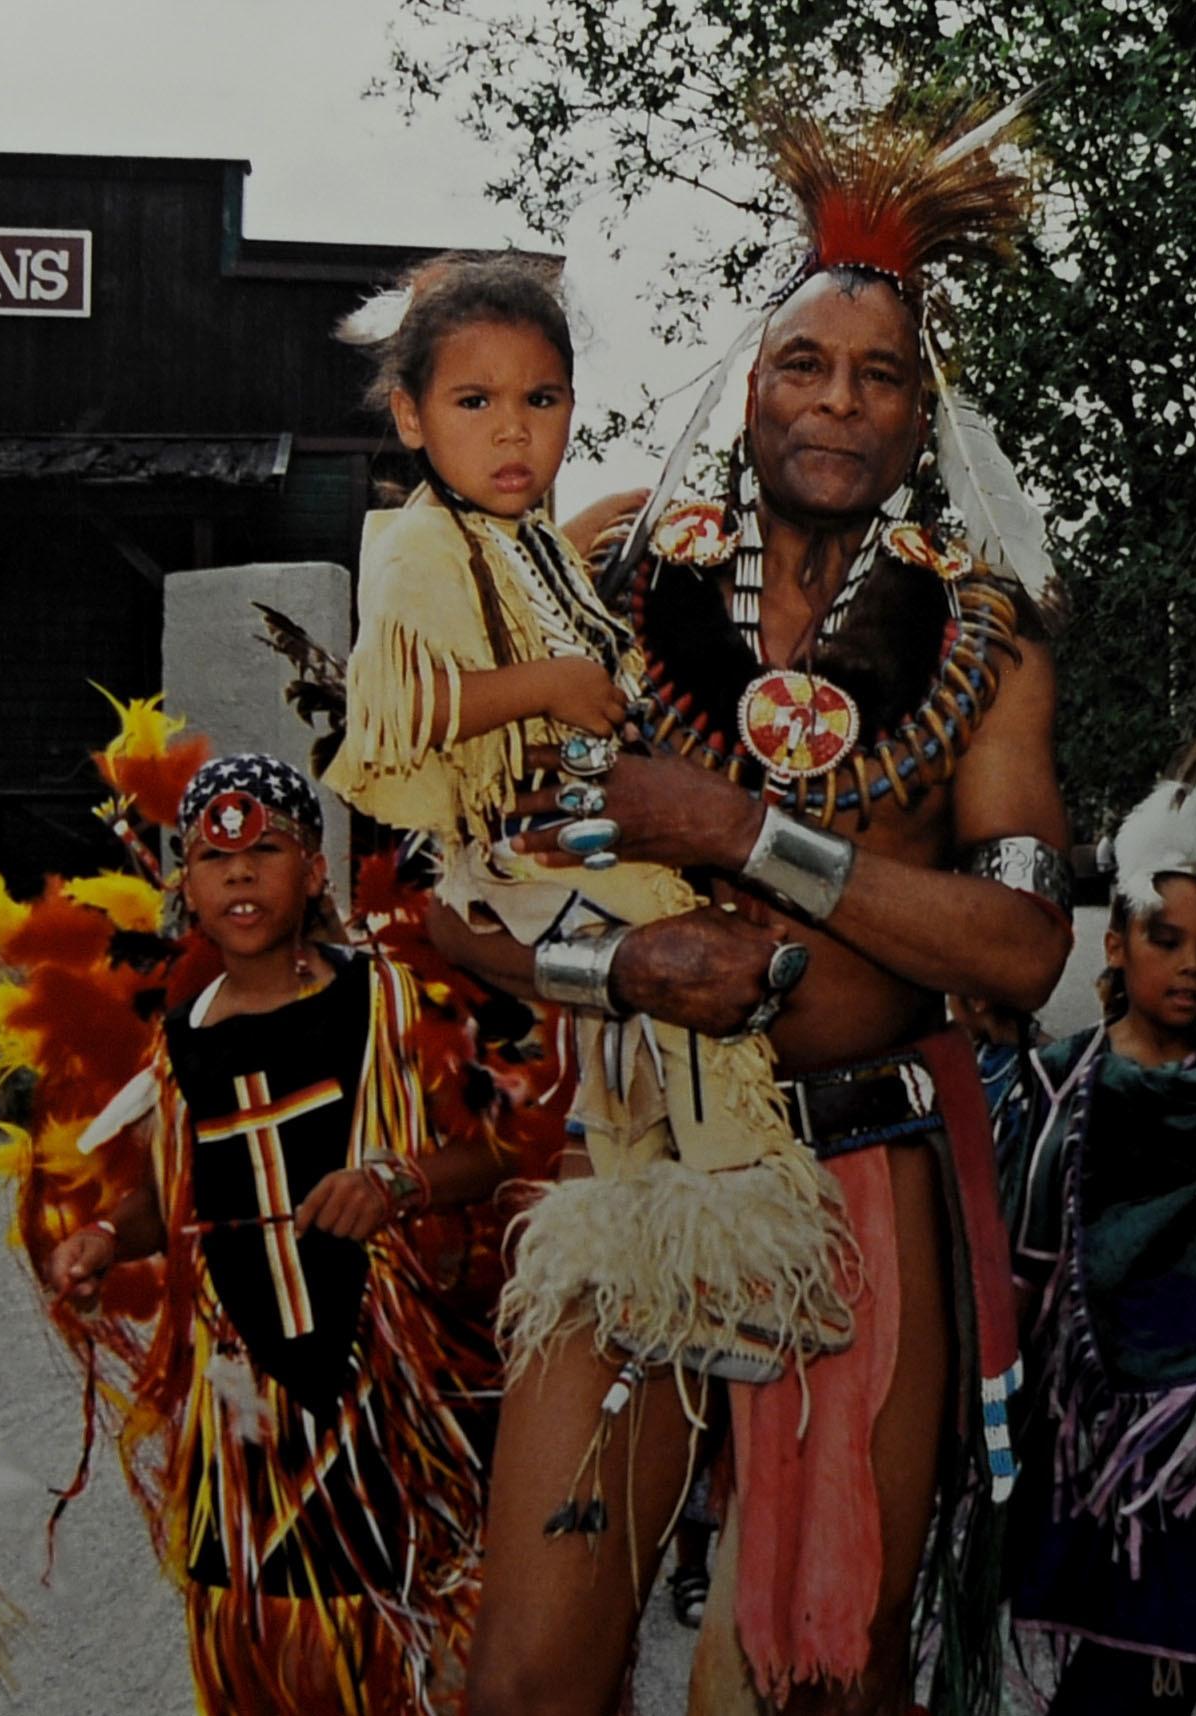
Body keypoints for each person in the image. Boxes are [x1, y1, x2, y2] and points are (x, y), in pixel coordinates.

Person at [435, 104, 1075, 1716]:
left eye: (879, 376)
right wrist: (630, 956)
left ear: (923, 413)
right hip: (638, 1168)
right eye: (807, 364)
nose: (838, 401)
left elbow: (1019, 950)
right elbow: (439, 890)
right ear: (750, 378)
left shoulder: (984, 644)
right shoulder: (603, 572)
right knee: (532, 1676)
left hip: (867, 1172)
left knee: (825, 1675)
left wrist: (740, 828)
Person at [322, 250, 840, 1389]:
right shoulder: (414, 547)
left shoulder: (520, 542)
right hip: (508, 850)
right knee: (695, 973)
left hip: (560, 835)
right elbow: (398, 709)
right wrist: (553, 687)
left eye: (541, 403)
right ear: (410, 418)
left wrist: (597, 532)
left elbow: (553, 608)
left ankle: (646, 1268)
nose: (513, 434)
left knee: (625, 1050)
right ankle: (734, 1248)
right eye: (475, 404)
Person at [23, 749, 518, 1716]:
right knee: (257, 1622)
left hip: (378, 1377)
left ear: (317, 872)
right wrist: (104, 1241)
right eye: (213, 856)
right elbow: (171, 1194)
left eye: (270, 849)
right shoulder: (181, 1043)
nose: (240, 873)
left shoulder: (388, 1003)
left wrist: (400, 1179)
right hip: (239, 1387)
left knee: (392, 1617)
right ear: (187, 889)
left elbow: (506, 1145)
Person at [1003, 768, 1196, 1713]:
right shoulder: (1061, 1086)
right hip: (1098, 1420)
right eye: (1167, 941)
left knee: (1166, 1664)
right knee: (1121, 1664)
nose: (1192, 967)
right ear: (1118, 943)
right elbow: (1021, 1252)